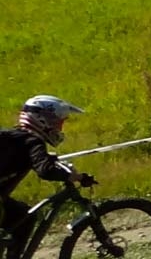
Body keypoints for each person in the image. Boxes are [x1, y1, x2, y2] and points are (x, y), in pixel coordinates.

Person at [2, 96, 88, 252]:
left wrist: (50, 158)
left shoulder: (15, 136)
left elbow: (33, 159)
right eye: (58, 123)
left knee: (23, 217)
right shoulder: (33, 141)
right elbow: (45, 170)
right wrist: (74, 176)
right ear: (43, 120)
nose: (59, 129)